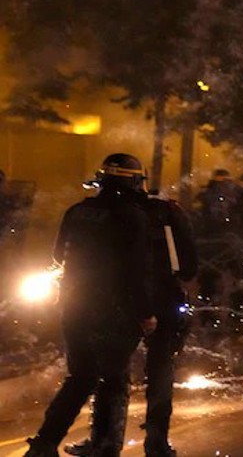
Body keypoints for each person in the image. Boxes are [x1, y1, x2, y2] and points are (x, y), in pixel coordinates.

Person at [23, 154, 156, 457]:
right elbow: (135, 271)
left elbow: (58, 258)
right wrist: (145, 312)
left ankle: (45, 442)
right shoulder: (133, 216)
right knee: (112, 378)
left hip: (74, 306)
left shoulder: (77, 211)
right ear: (134, 181)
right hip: (113, 309)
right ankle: (104, 446)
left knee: (80, 377)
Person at [65, 190, 199, 457]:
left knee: (112, 373)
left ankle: (105, 441)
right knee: (160, 372)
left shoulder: (100, 212)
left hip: (118, 303)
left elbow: (73, 259)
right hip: (164, 299)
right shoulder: (168, 211)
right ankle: (157, 443)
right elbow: (188, 267)